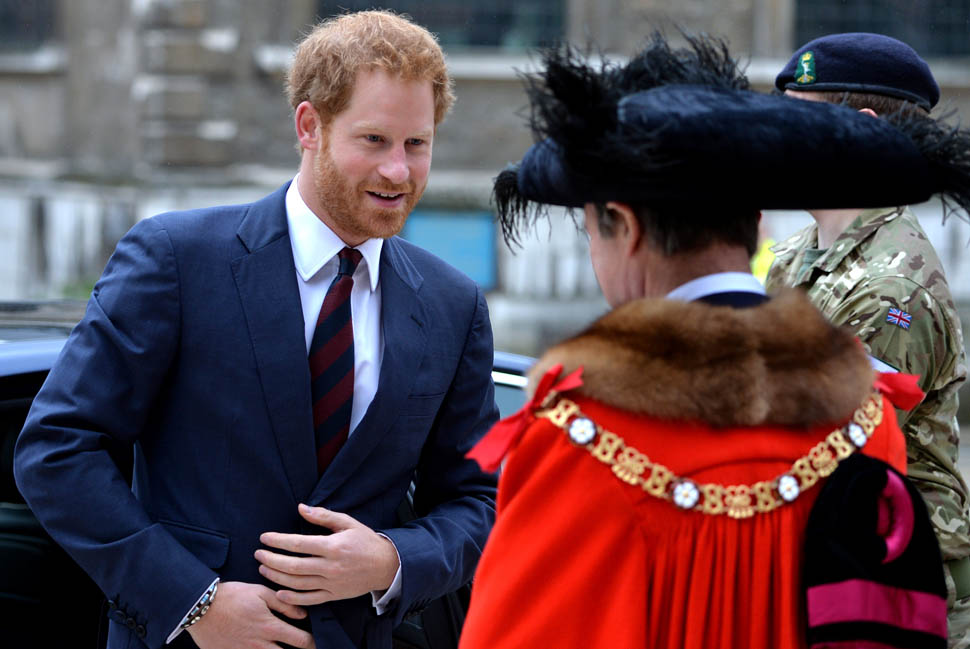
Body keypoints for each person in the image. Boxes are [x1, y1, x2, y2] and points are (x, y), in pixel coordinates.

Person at [457, 34, 970, 649]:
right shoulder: (869, 418)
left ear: (625, 227)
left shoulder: (580, 438)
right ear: (755, 224)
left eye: (592, 229)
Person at [14, 10, 498, 649]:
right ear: (309, 126)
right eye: (375, 140)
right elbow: (56, 450)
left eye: (416, 144)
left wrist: (393, 560)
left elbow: (478, 500)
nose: (398, 172)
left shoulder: (452, 304)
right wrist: (193, 602)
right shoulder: (176, 260)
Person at [767, 33, 970, 646]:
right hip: (829, 572)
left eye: (796, 121)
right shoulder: (793, 256)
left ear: (860, 131)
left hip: (892, 596)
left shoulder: (892, 289)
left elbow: (822, 459)